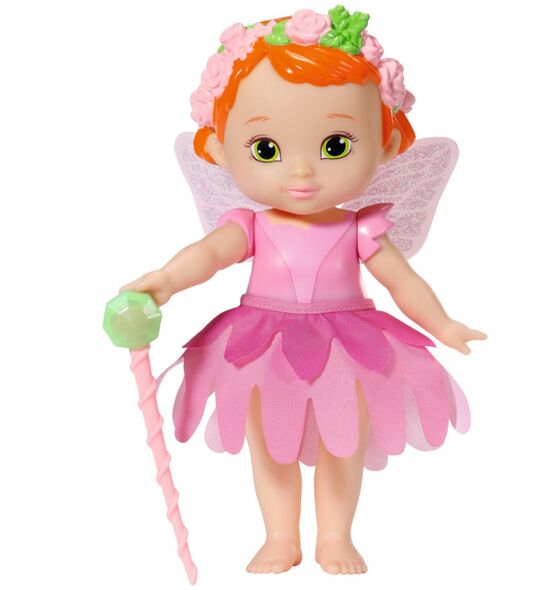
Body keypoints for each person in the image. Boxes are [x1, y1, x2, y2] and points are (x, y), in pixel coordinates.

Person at [120, 6, 486, 576]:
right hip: (261, 345)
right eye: (266, 149)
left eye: (335, 145)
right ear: (219, 149)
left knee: (345, 440)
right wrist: (166, 280)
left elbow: (402, 281)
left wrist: (441, 324)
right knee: (271, 442)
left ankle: (335, 535)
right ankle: (280, 536)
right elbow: (208, 256)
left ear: (387, 143)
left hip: (349, 345)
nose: (301, 173)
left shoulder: (360, 229)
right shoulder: (250, 225)